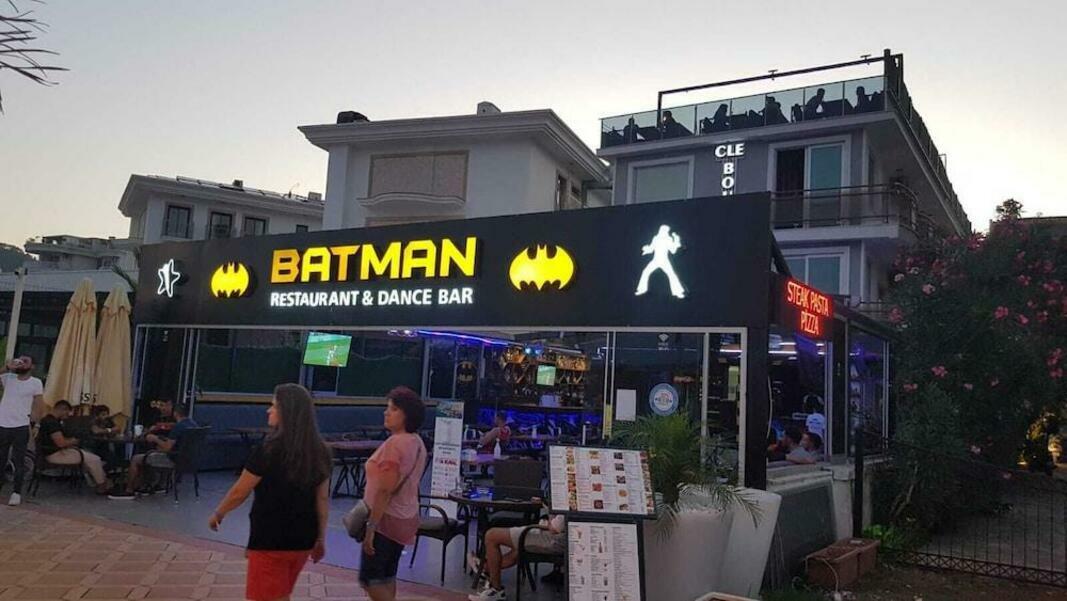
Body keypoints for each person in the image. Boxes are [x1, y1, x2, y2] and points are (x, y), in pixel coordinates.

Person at [208, 384, 332, 601]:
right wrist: (320, 538)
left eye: (273, 406)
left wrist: (219, 513)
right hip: (303, 539)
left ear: (286, 411)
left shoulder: (267, 450)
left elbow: (240, 490)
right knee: (281, 593)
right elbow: (321, 499)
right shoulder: (321, 452)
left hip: (269, 538)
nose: (268, 410)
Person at [360, 386, 427, 601]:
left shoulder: (395, 444)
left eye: (394, 409)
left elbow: (384, 490)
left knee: (370, 579)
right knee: (387, 575)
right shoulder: (417, 443)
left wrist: (371, 527)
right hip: (406, 518)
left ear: (407, 415)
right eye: (387, 408)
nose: (386, 412)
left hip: (385, 520)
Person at [469, 513, 567, 601]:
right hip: (558, 537)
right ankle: (485, 568)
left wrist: (548, 519)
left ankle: (495, 589)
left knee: (491, 535)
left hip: (555, 539)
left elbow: (555, 527)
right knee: (518, 549)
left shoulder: (567, 500)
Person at [109, 404, 197, 499]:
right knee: (151, 454)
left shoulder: (178, 427)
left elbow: (167, 448)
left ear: (175, 413)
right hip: (187, 459)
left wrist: (155, 438)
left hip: (173, 459)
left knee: (136, 459)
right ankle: (151, 485)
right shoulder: (193, 424)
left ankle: (129, 490)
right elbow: (178, 443)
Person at [38, 400, 112, 494]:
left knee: (88, 458)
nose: (67, 416)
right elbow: (61, 443)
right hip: (55, 454)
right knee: (94, 459)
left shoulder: (47, 420)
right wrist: (74, 441)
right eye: (67, 413)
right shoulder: (52, 423)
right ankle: (102, 486)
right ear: (62, 409)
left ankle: (99, 482)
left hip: (50, 452)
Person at [0, 356, 45, 506]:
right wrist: (8, 367)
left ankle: (16, 492)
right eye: (20, 360)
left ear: (32, 366)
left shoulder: (35, 382)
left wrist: (37, 424)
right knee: (1, 458)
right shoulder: (8, 378)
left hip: (21, 425)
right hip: (2, 424)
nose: (21, 363)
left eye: (25, 361)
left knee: (19, 459)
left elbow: (38, 404)